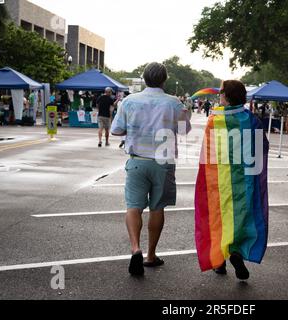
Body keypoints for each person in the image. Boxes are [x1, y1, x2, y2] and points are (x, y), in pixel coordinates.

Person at [111, 62, 191, 276]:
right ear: (164, 80)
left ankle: (135, 247)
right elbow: (184, 131)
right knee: (157, 208)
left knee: (133, 206)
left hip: (137, 161)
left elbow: (116, 130)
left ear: (144, 79)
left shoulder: (128, 101)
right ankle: (151, 255)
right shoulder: (174, 103)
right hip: (163, 163)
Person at [194, 80, 269, 281]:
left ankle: (219, 261)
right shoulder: (251, 120)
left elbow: (207, 154)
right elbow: (263, 147)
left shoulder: (214, 120)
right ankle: (237, 251)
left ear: (226, 96)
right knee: (241, 216)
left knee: (219, 217)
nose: (219, 96)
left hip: (218, 180)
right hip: (245, 181)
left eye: (221, 93)